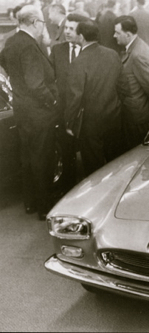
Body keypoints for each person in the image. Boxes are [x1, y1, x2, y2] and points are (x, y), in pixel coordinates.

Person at [0, 5, 59, 220]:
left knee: (27, 158)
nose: (43, 27)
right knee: (42, 159)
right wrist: (52, 101)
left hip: (22, 111)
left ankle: (30, 203)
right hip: (39, 113)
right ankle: (44, 207)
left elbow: (4, 63)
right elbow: (36, 84)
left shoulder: (12, 42)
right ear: (35, 22)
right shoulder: (29, 46)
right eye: (42, 23)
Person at [65, 20, 125, 176]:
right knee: (115, 165)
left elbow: (75, 97)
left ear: (82, 37)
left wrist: (69, 122)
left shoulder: (79, 62)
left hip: (90, 123)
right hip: (114, 118)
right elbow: (123, 86)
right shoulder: (113, 54)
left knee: (94, 169)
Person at [50, 13, 89, 193]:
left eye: (71, 29)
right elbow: (50, 79)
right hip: (65, 111)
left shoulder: (89, 50)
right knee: (67, 152)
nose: (67, 32)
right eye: (65, 27)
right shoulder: (57, 51)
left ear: (81, 31)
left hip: (86, 110)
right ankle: (68, 189)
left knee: (88, 153)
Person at [114, 15, 149, 149]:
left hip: (136, 116)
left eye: (117, 32)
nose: (114, 35)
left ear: (128, 34)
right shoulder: (135, 47)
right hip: (137, 114)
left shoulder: (137, 54)